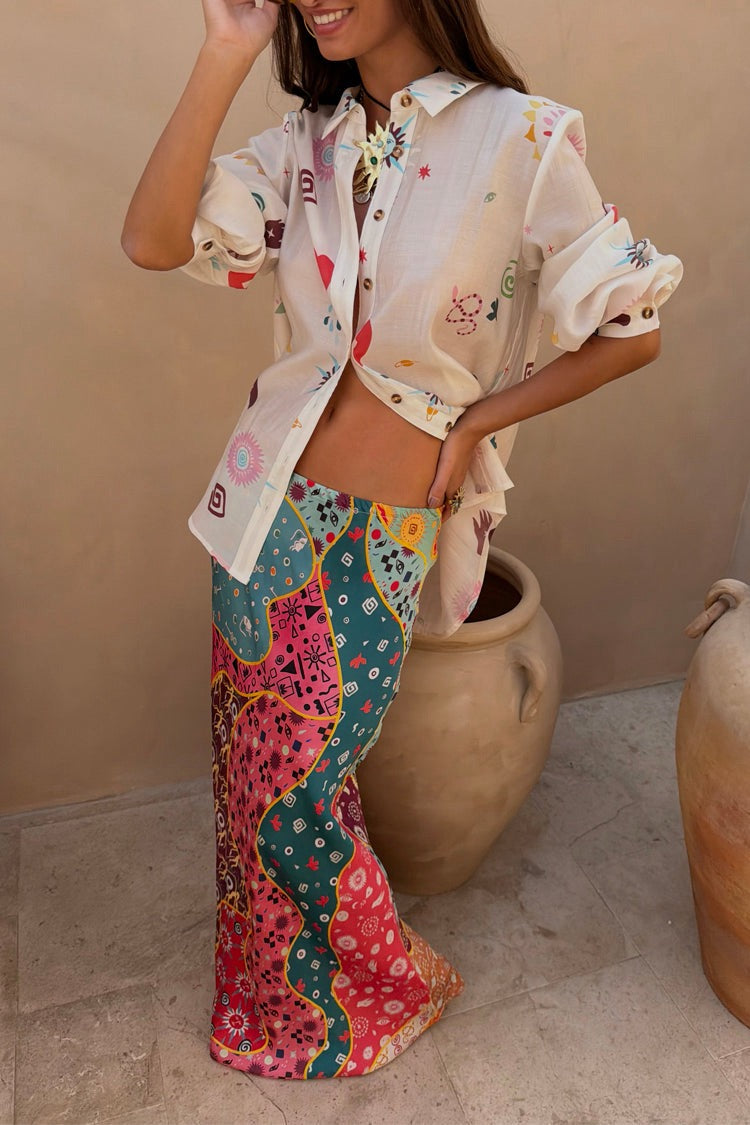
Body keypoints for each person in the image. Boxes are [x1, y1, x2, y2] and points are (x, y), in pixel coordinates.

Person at [121, 0, 682, 1080]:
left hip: (376, 528)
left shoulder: (522, 138)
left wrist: (475, 424)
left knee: (298, 794)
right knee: (251, 786)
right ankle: (273, 999)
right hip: (259, 508)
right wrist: (227, 49)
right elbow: (153, 241)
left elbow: (633, 330)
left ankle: (376, 995)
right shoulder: (306, 144)